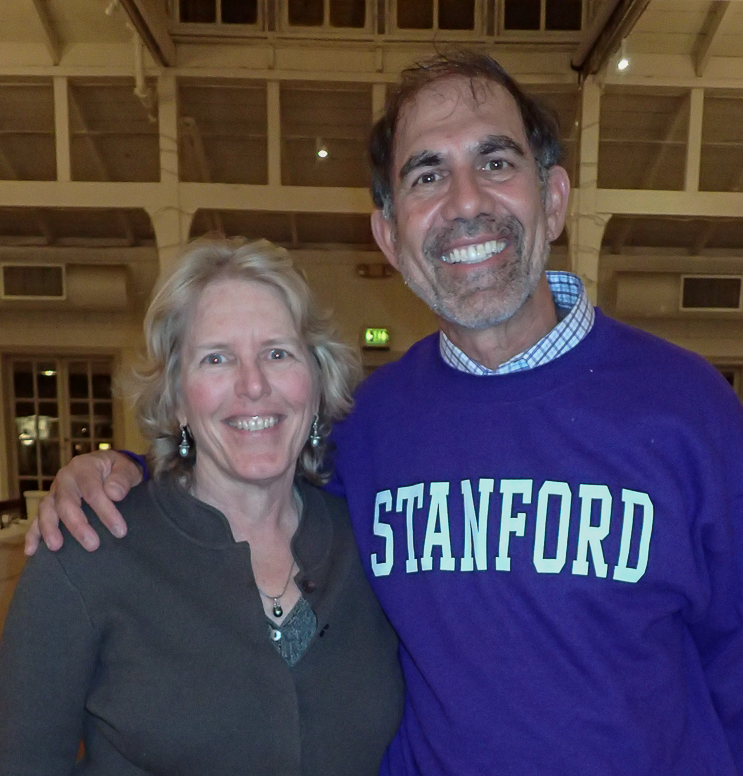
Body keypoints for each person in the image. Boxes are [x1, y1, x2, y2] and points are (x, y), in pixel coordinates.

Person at [25, 52, 743, 774]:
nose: (465, 202)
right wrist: (117, 471)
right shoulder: (371, 424)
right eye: (427, 176)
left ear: (553, 199)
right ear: (391, 237)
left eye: (495, 162)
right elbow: (244, 463)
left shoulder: (691, 409)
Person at [0, 237, 404, 775]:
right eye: (216, 358)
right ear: (176, 398)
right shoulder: (85, 555)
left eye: (277, 353)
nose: (253, 384)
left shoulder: (374, 547)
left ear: (316, 379)